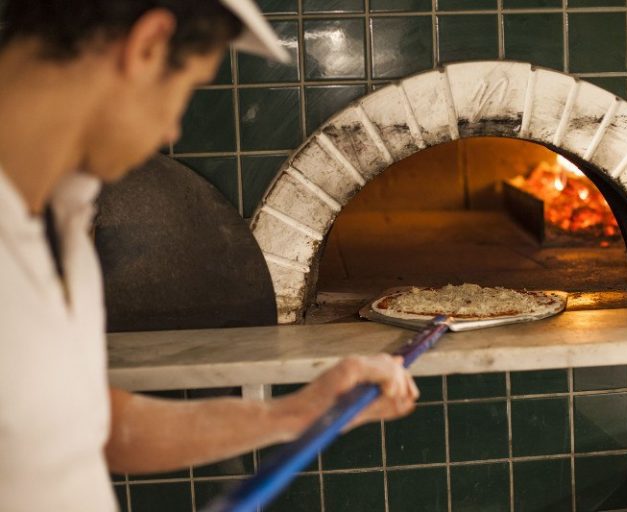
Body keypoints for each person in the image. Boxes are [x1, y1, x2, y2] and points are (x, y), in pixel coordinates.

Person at [0, 2, 419, 511]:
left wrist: (297, 413)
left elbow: (86, 427)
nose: (173, 130)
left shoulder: (61, 214)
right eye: (186, 91)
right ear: (148, 45)